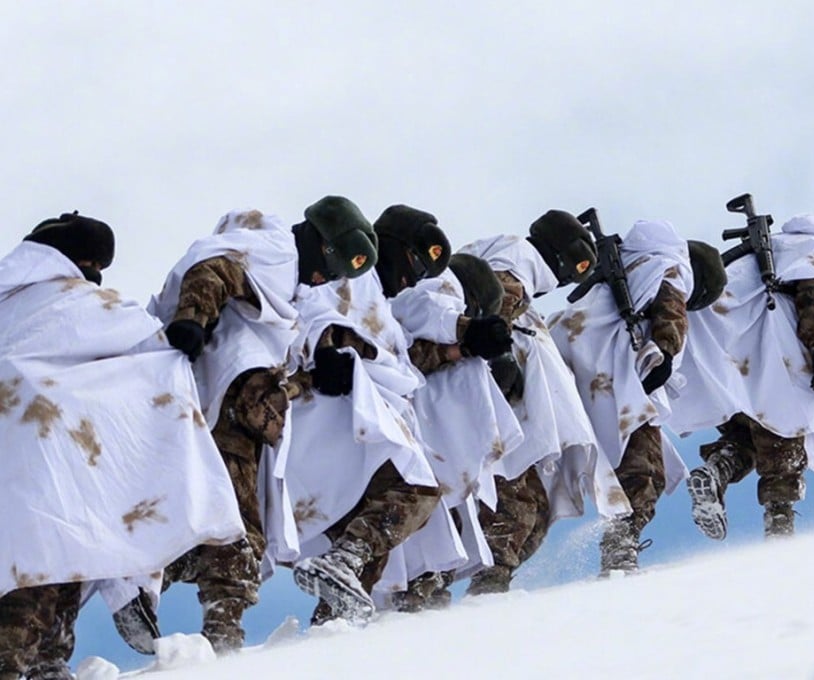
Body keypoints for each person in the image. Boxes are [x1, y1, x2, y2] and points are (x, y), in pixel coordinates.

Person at [0, 212, 244, 678]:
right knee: (57, 554)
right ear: (82, 262)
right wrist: (184, 335)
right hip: (52, 455)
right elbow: (151, 349)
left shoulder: (7, 301)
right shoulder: (78, 302)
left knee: (30, 557)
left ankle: (44, 660)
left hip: (10, 459)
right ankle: (36, 660)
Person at [141, 197, 378, 652]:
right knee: (237, 528)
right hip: (234, 400)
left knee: (226, 524)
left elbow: (285, 347)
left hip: (245, 405)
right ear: (318, 242)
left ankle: (150, 576)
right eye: (326, 266)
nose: (322, 279)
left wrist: (315, 373)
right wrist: (192, 319)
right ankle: (220, 634)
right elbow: (213, 270)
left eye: (332, 276)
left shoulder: (292, 282)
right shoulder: (279, 253)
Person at [290, 204, 466, 625]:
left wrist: (462, 345)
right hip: (333, 409)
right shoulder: (350, 278)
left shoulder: (383, 306)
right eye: (412, 262)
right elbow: (309, 308)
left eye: (423, 273)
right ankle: (344, 566)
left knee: (372, 526)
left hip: (357, 417)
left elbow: (397, 361)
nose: (412, 278)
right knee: (414, 490)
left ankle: (331, 625)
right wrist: (324, 346)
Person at [459, 209, 632, 594]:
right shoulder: (517, 254)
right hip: (505, 399)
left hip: (516, 401)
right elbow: (499, 291)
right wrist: (500, 355)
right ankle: (484, 581)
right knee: (517, 495)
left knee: (536, 508)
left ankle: (486, 577)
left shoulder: (528, 290)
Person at [678, 212, 814, 538]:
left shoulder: (784, 244)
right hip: (769, 351)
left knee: (746, 434)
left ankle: (716, 472)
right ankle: (779, 525)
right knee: (785, 434)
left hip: (725, 351)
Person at [550, 219, 726, 573]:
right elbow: (671, 312)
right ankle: (620, 551)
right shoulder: (668, 268)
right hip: (615, 380)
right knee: (645, 471)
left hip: (569, 364)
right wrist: (666, 353)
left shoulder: (623, 269)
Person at [387, 251, 523, 609]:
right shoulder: (434, 296)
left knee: (434, 529)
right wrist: (464, 337)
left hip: (419, 432)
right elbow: (421, 333)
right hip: (420, 431)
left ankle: (425, 590)